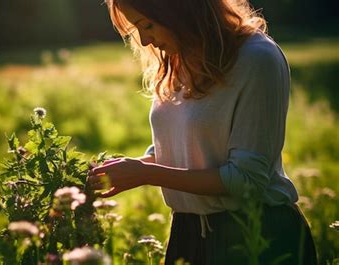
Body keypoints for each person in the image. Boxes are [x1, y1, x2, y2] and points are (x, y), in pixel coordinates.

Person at [88, 0, 318, 264]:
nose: (144, 40)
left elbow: (247, 180)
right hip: (188, 234)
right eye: (135, 30)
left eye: (147, 25)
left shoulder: (256, 59)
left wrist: (145, 173)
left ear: (180, 10)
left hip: (255, 237)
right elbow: (184, 150)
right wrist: (128, 169)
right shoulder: (176, 62)